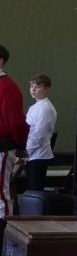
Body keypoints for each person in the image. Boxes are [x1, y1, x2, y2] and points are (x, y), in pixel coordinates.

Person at [0, 45, 30, 223]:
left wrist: (20, 144)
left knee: (0, 196)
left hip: (2, 148)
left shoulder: (8, 88)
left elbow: (16, 122)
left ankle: (3, 234)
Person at [23, 74, 57, 191]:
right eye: (31, 86)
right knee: (30, 188)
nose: (33, 89)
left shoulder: (45, 108)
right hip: (30, 153)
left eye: (37, 87)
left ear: (47, 89)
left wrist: (26, 152)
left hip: (38, 154)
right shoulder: (34, 107)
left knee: (36, 189)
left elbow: (39, 135)